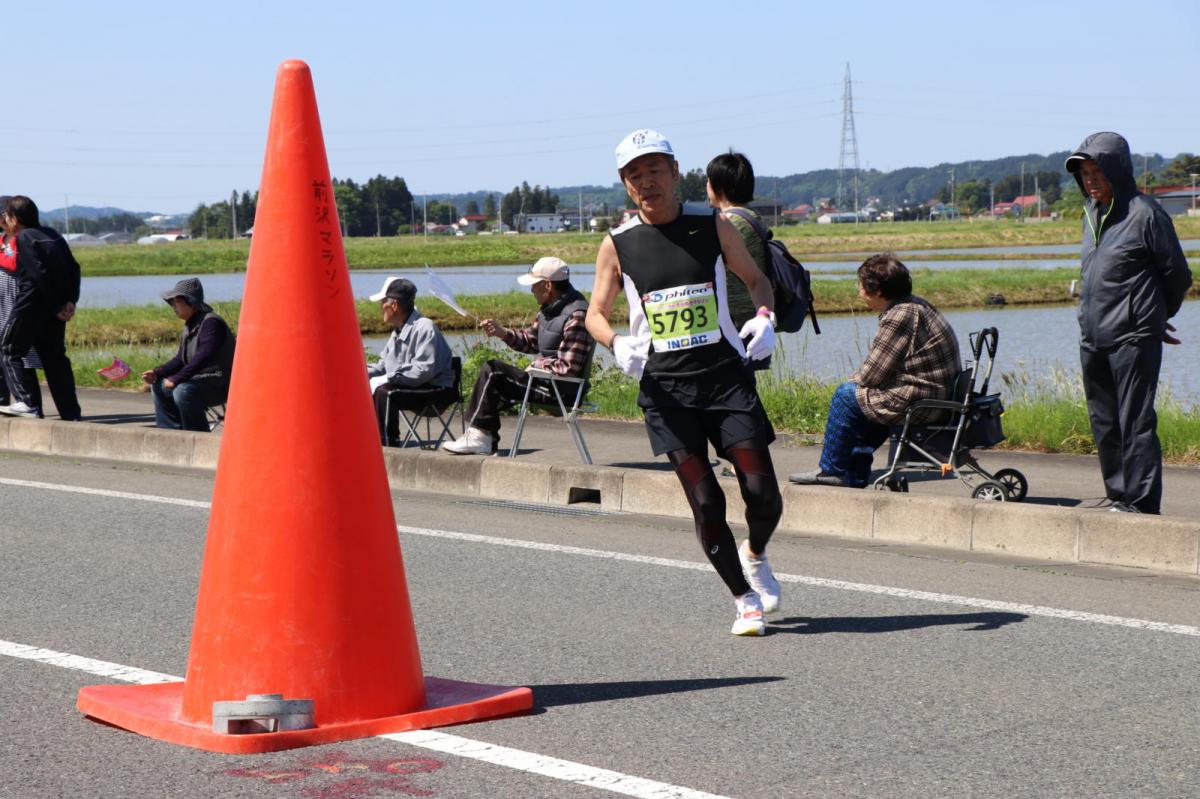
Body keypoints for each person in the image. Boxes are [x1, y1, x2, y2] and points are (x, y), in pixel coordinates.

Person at [586, 128, 783, 637]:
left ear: (676, 173)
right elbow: (595, 314)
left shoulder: (711, 224)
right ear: (626, 185)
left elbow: (757, 280)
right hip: (666, 391)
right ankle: (744, 599)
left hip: (723, 377)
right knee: (706, 501)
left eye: (655, 170)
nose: (646, 181)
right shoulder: (618, 243)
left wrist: (764, 316)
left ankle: (756, 554)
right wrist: (615, 343)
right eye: (635, 174)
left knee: (762, 492)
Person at [1064, 132, 1192, 514]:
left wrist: (1155, 316)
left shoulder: (1145, 213)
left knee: (1134, 421)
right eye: (1084, 173)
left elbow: (1178, 276)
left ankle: (1141, 503)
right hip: (1094, 335)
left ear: (1117, 171)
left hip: (1134, 337)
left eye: (1097, 171)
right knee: (1104, 422)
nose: (1090, 180)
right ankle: (1119, 496)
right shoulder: (1091, 214)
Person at [790, 255, 960, 489]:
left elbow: (871, 374)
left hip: (922, 401)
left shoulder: (900, 315)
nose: (859, 292)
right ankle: (856, 473)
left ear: (877, 290)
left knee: (846, 395)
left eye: (861, 286)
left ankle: (832, 469)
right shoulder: (914, 304)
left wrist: (851, 385)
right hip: (933, 395)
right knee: (863, 400)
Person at [442, 256, 594, 455]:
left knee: (494, 371)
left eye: (534, 285)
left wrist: (538, 365)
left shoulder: (577, 314)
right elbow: (530, 342)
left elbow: (568, 368)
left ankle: (480, 437)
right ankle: (482, 437)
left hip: (562, 391)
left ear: (548, 286)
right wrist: (502, 332)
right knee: (494, 376)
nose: (531, 290)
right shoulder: (548, 311)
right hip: (546, 382)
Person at [0, 196, 81, 420]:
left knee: (9, 349)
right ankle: (71, 413)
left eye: (7, 216)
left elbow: (37, 275)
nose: (5, 220)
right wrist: (70, 301)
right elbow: (74, 268)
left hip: (30, 306)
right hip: (54, 310)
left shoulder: (24, 237)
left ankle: (27, 403)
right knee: (55, 359)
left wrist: (57, 305)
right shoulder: (53, 235)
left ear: (15, 218)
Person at [365, 276, 455, 446]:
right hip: (415, 387)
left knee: (387, 393)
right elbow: (383, 366)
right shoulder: (397, 332)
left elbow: (422, 371)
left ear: (394, 305)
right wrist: (357, 374)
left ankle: (387, 445)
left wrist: (388, 378)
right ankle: (368, 439)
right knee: (366, 388)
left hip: (437, 390)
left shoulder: (425, 327)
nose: (380, 307)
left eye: (382, 302)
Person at [140, 278, 235, 432]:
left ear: (190, 301)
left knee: (183, 391)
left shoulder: (211, 323)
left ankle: (196, 436)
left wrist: (177, 378)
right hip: (198, 381)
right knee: (158, 386)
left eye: (176, 302)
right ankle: (171, 434)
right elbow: (180, 359)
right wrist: (157, 373)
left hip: (218, 383)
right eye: (171, 303)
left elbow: (204, 356)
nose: (173, 307)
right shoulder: (190, 324)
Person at [705, 151, 771, 329]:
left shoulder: (730, 223)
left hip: (738, 319)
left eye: (708, 180)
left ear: (719, 188)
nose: (706, 185)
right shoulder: (751, 215)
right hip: (755, 313)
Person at [0, 196, 43, 408]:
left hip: (16, 304)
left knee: (21, 357)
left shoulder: (24, 239)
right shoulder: (3, 240)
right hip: (3, 305)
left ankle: (30, 405)